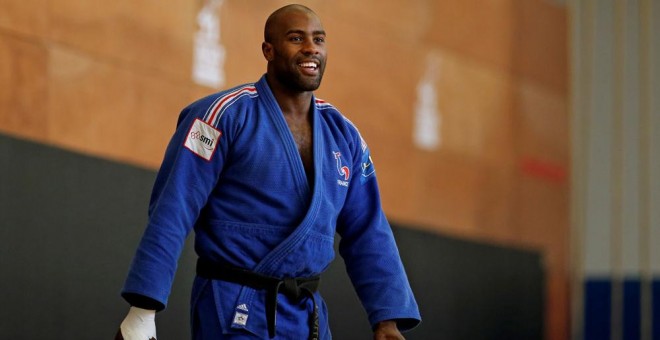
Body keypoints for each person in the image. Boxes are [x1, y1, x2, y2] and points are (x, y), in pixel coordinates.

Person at [116, 4, 421, 340]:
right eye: (296, 38)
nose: (310, 48)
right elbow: (173, 209)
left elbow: (368, 229)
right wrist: (143, 309)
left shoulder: (343, 134)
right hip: (233, 306)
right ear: (269, 50)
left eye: (318, 39)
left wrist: (387, 319)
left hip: (306, 317)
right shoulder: (220, 116)